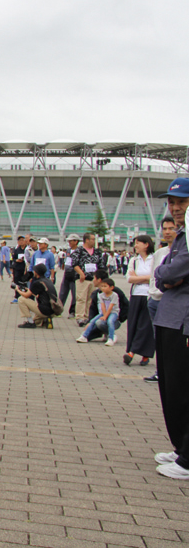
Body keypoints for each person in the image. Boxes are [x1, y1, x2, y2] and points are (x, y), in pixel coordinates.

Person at [151, 178, 189, 480]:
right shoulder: (180, 235)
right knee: (171, 389)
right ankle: (181, 447)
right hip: (169, 318)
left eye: (182, 202)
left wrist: (166, 275)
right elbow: (164, 276)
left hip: (183, 321)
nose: (175, 208)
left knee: (183, 390)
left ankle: (187, 459)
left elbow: (171, 271)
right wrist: (166, 276)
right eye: (172, 202)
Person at [144, 216, 177, 383]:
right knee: (159, 339)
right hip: (155, 301)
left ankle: (172, 373)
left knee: (172, 340)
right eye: (165, 229)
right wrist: (151, 295)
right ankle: (160, 371)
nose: (168, 232)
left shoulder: (181, 253)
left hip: (171, 302)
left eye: (172, 228)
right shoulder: (160, 253)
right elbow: (153, 276)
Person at [124, 235, 155, 366]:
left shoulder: (155, 259)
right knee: (133, 324)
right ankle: (136, 351)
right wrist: (145, 278)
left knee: (145, 325)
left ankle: (134, 352)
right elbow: (129, 278)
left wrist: (138, 278)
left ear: (146, 244)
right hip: (136, 295)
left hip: (150, 295)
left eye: (138, 243)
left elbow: (155, 277)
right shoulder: (134, 260)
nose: (135, 246)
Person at [73, 233, 107, 326]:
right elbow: (74, 264)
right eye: (92, 239)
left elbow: (101, 265)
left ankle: (88, 316)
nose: (94, 241)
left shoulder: (97, 252)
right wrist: (81, 273)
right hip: (82, 279)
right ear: (87, 240)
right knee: (81, 298)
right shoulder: (79, 250)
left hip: (94, 279)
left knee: (91, 299)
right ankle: (80, 317)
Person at [76, 279, 120, 345]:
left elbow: (110, 307)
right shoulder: (101, 295)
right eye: (102, 286)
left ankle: (111, 338)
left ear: (111, 287)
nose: (103, 288)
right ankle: (84, 336)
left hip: (113, 312)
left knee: (110, 321)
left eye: (105, 286)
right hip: (103, 312)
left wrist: (105, 316)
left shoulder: (114, 295)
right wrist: (104, 315)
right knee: (92, 321)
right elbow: (102, 306)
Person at [16, 263, 59, 329]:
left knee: (21, 299)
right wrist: (29, 290)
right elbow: (42, 294)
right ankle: (46, 320)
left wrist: (17, 289)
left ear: (36, 272)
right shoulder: (48, 281)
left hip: (44, 310)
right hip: (53, 310)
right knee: (36, 321)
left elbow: (26, 296)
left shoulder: (37, 282)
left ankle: (30, 323)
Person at [58, 234, 80, 318]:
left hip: (75, 273)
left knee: (74, 293)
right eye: (68, 241)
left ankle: (73, 311)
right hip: (67, 272)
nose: (69, 243)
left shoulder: (79, 251)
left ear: (76, 241)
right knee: (62, 292)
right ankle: (58, 310)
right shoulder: (68, 250)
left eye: (71, 241)